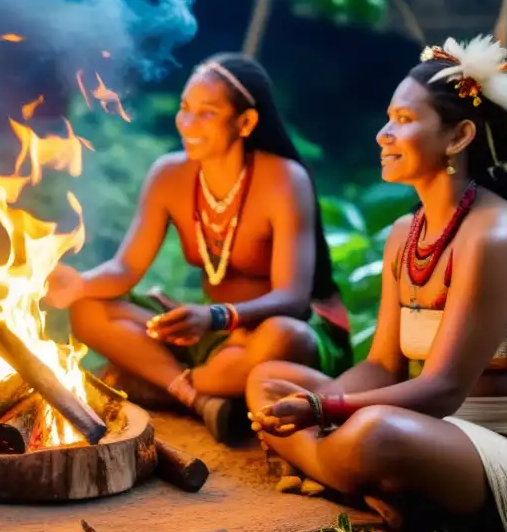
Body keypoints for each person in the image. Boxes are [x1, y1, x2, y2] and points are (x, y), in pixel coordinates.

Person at [249, 35, 507, 532]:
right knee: (268, 380)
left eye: (403, 119)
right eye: (387, 118)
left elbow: (442, 388)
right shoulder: (407, 233)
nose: (383, 134)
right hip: (439, 430)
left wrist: (323, 411)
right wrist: (314, 402)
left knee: (376, 434)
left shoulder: (496, 235)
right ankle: (371, 482)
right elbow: (383, 365)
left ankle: (348, 474)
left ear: (458, 136)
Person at [45, 54, 352, 442]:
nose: (187, 123)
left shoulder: (283, 180)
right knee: (88, 310)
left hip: (261, 334)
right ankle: (199, 398)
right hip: (205, 337)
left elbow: (293, 298)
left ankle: (158, 384)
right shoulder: (168, 175)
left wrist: (217, 317)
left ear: (246, 122)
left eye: (206, 113)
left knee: (287, 337)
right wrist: (79, 283)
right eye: (185, 108)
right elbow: (125, 270)